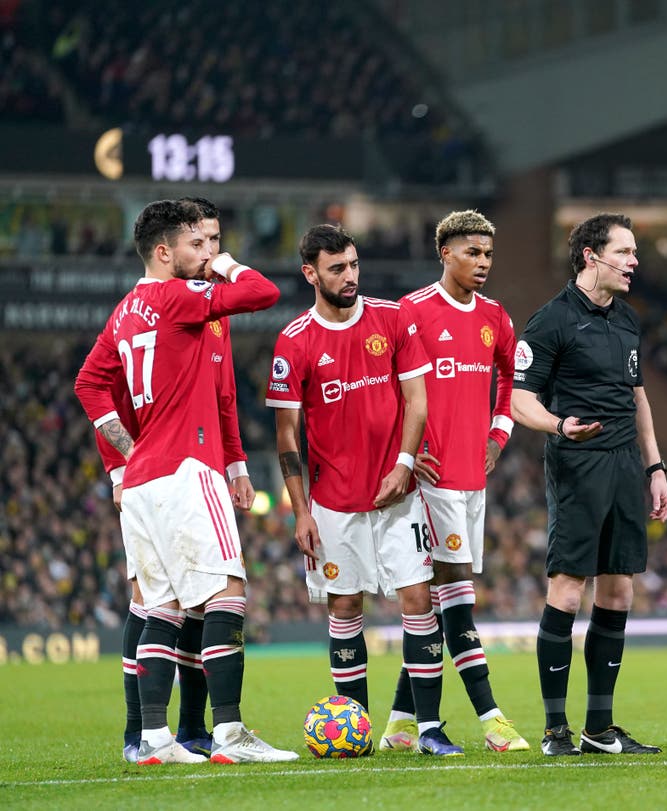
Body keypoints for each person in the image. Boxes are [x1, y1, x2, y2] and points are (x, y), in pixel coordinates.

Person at [75, 199, 295, 764]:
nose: (209, 253)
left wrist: (126, 453)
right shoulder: (177, 297)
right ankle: (229, 734)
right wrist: (225, 266)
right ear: (164, 251)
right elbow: (263, 293)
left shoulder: (125, 311)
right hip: (187, 469)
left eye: (213, 244)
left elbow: (90, 382)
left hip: (144, 479)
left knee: (165, 608)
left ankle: (153, 740)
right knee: (228, 594)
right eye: (197, 245)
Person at [268, 224, 462, 757]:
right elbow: (287, 435)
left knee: (419, 599)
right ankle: (352, 728)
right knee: (345, 606)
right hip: (332, 505)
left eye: (353, 265)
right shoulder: (295, 340)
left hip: (398, 496)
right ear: (311, 273)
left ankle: (428, 729)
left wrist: (403, 464)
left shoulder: (391, 318)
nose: (350, 276)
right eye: (337, 268)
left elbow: (418, 400)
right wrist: (300, 511)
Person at [511, 212, 667, 757]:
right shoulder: (550, 321)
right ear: (591, 256)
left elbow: (637, 396)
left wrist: (655, 467)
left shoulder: (626, 319)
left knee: (620, 587)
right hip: (579, 462)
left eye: (634, 253)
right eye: (624, 252)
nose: (634, 262)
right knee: (568, 586)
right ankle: (556, 729)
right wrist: (559, 426)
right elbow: (519, 399)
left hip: (627, 461)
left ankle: (599, 728)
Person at [385, 210, 528, 752]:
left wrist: (498, 436)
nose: (483, 263)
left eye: (488, 254)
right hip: (430, 480)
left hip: (473, 479)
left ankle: (401, 722)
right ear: (444, 253)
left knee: (445, 603)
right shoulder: (412, 312)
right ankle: (491, 720)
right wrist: (404, 452)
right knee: (456, 600)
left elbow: (513, 379)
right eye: (472, 252)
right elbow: (389, 390)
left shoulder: (496, 316)